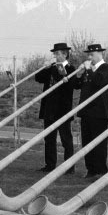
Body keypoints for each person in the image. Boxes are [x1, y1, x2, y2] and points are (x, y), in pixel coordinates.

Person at [72, 43, 108, 178]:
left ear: (100, 54)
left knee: (99, 142)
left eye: (92, 55)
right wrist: (79, 75)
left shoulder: (106, 68)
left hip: (99, 111)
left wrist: (89, 69)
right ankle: (90, 169)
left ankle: (100, 170)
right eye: (88, 55)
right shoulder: (88, 70)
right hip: (86, 110)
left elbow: (98, 82)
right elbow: (77, 86)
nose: (90, 57)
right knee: (87, 141)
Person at [34, 42, 77, 174]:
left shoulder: (71, 69)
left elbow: (73, 86)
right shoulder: (51, 68)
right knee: (49, 139)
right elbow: (38, 78)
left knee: (66, 139)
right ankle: (50, 165)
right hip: (49, 108)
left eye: (58, 54)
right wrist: (44, 68)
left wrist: (65, 77)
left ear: (65, 54)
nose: (56, 56)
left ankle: (69, 168)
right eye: (55, 54)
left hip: (63, 109)